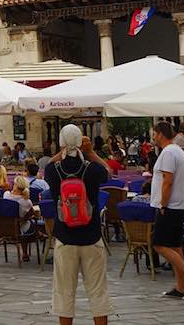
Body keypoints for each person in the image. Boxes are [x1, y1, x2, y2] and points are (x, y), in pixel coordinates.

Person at [44, 124, 112, 324]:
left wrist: (64, 149)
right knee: (98, 291)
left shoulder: (53, 170)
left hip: (65, 238)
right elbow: (107, 171)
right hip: (91, 237)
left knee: (64, 292)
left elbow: (48, 164)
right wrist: (90, 152)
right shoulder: (93, 169)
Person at [149, 121, 184, 299]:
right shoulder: (177, 151)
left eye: (154, 133)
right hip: (179, 205)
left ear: (160, 134)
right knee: (175, 246)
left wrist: (163, 204)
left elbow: (167, 180)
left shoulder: (168, 153)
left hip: (170, 206)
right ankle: (181, 287)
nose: (153, 137)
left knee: (158, 243)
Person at [4, 176, 37, 248]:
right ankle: (25, 253)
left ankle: (40, 234)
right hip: (20, 229)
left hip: (5, 228)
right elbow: (32, 213)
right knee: (31, 222)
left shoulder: (6, 195)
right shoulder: (27, 202)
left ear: (15, 185)